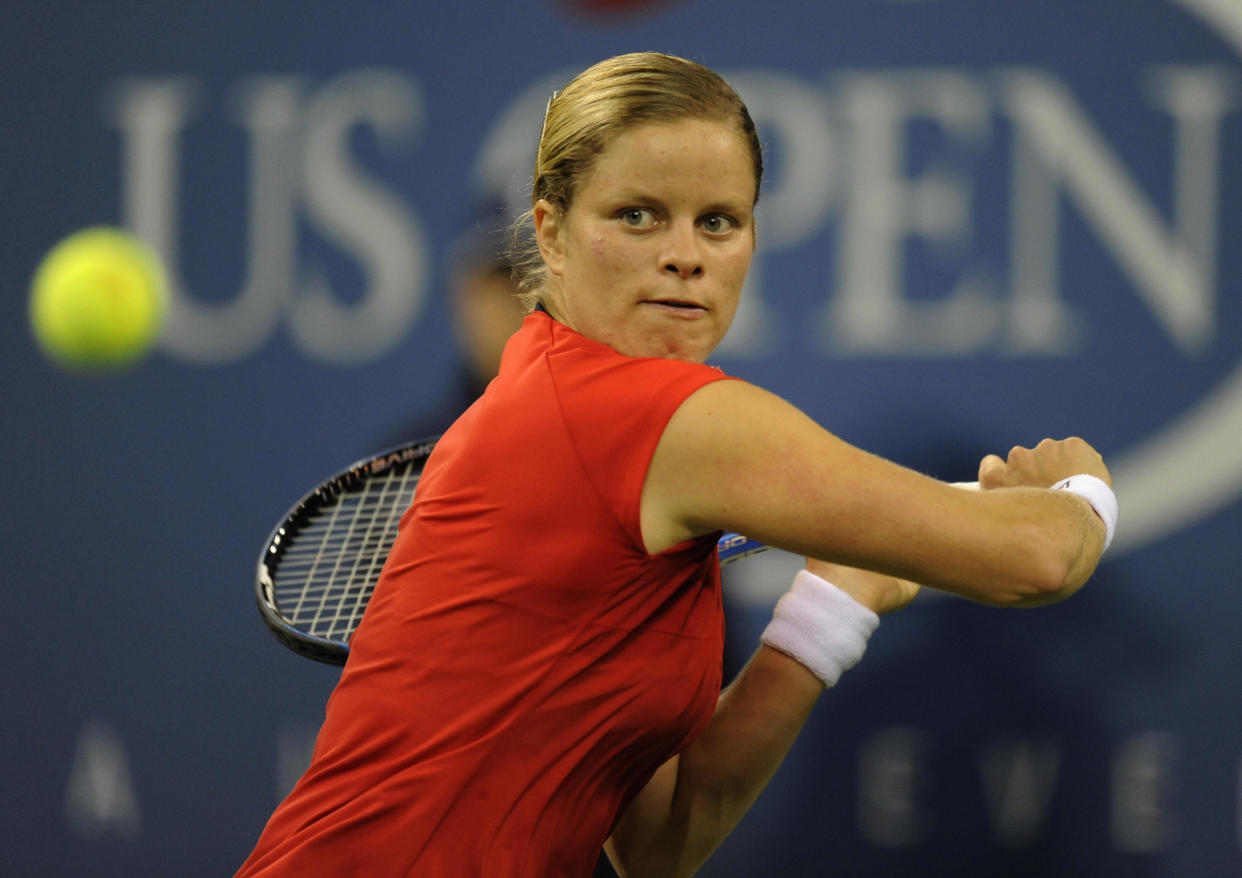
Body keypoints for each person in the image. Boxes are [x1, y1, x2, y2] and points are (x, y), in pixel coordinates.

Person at [237, 52, 1116, 878]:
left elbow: (659, 840)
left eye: (719, 222)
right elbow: (1036, 558)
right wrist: (1082, 493)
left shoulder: (561, 408)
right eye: (637, 215)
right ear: (548, 234)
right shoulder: (653, 421)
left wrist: (831, 604)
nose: (686, 255)